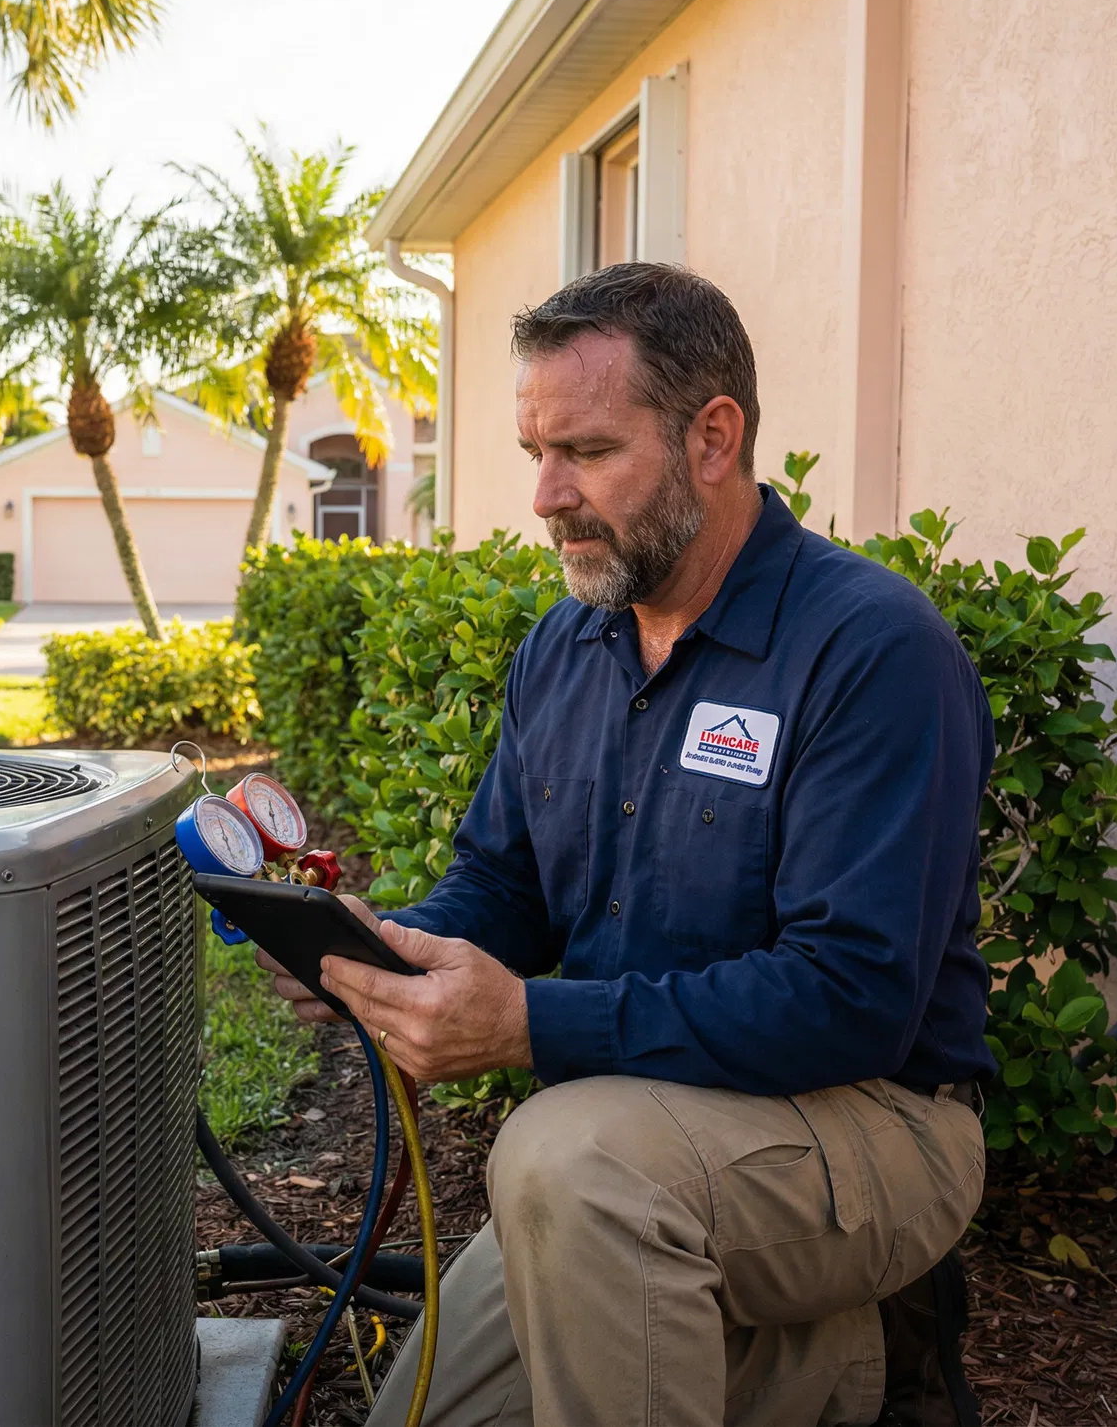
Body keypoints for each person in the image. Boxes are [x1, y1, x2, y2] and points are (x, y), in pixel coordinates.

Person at [260, 262, 994, 1427]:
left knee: (565, 1155)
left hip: (879, 1122)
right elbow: (502, 882)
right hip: (634, 1138)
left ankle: (851, 1352)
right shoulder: (566, 646)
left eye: (590, 453)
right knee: (426, 1417)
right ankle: (819, 1365)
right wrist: (392, 954)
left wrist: (528, 1022)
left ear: (713, 438)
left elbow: (854, 996)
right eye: (535, 456)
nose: (548, 496)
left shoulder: (870, 650)